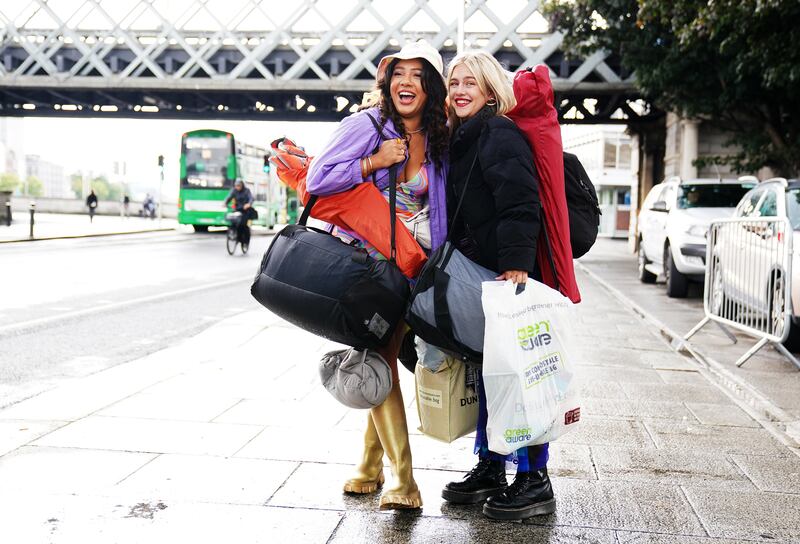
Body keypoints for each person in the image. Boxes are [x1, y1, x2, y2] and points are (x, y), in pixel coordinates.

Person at [306, 41, 449, 510]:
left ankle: (368, 469)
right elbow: (318, 179)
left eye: (418, 75)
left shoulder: (442, 135)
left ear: (431, 86)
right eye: (398, 74)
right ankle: (403, 482)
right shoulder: (365, 125)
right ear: (387, 82)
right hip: (372, 267)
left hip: (417, 268)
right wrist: (374, 161)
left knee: (384, 355)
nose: (407, 82)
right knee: (382, 360)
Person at [440, 50, 555, 521]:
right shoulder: (463, 137)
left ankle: (534, 479)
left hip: (508, 274)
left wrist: (515, 266)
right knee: (492, 373)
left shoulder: (498, 132)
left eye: (471, 82)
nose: (460, 91)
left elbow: (520, 200)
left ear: (490, 90)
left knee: (520, 376)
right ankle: (490, 466)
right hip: (485, 271)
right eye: (454, 84)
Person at [224, 180, 255, 249]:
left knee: (243, 225)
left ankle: (245, 242)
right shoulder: (234, 191)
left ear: (242, 186)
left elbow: (251, 198)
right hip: (237, 209)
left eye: (239, 186)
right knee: (233, 221)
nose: (237, 187)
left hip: (245, 210)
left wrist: (248, 204)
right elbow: (229, 197)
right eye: (236, 186)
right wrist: (225, 203)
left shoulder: (247, 191)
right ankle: (234, 233)